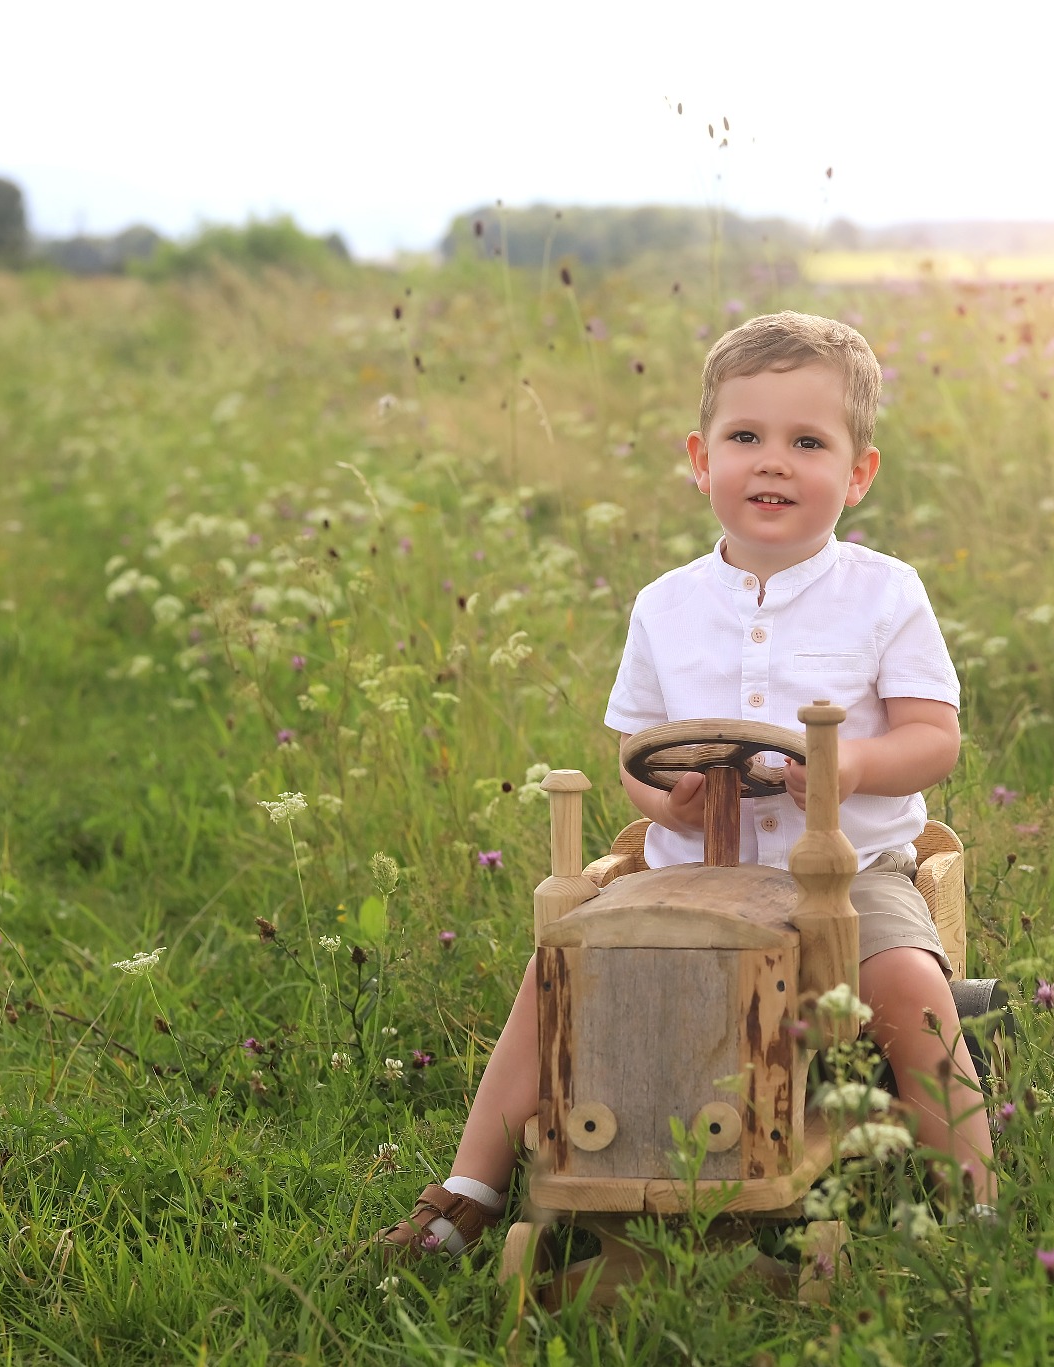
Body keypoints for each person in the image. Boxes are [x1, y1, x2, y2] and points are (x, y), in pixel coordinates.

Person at [374, 311, 997, 1258]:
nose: (773, 463)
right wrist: (670, 802)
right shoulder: (664, 606)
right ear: (702, 461)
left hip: (845, 876)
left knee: (911, 987)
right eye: (746, 438)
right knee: (557, 976)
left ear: (858, 472)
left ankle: (969, 1198)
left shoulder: (884, 592)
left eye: (807, 442)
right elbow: (636, 755)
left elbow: (933, 737)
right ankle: (468, 1189)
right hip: (685, 878)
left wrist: (849, 764)